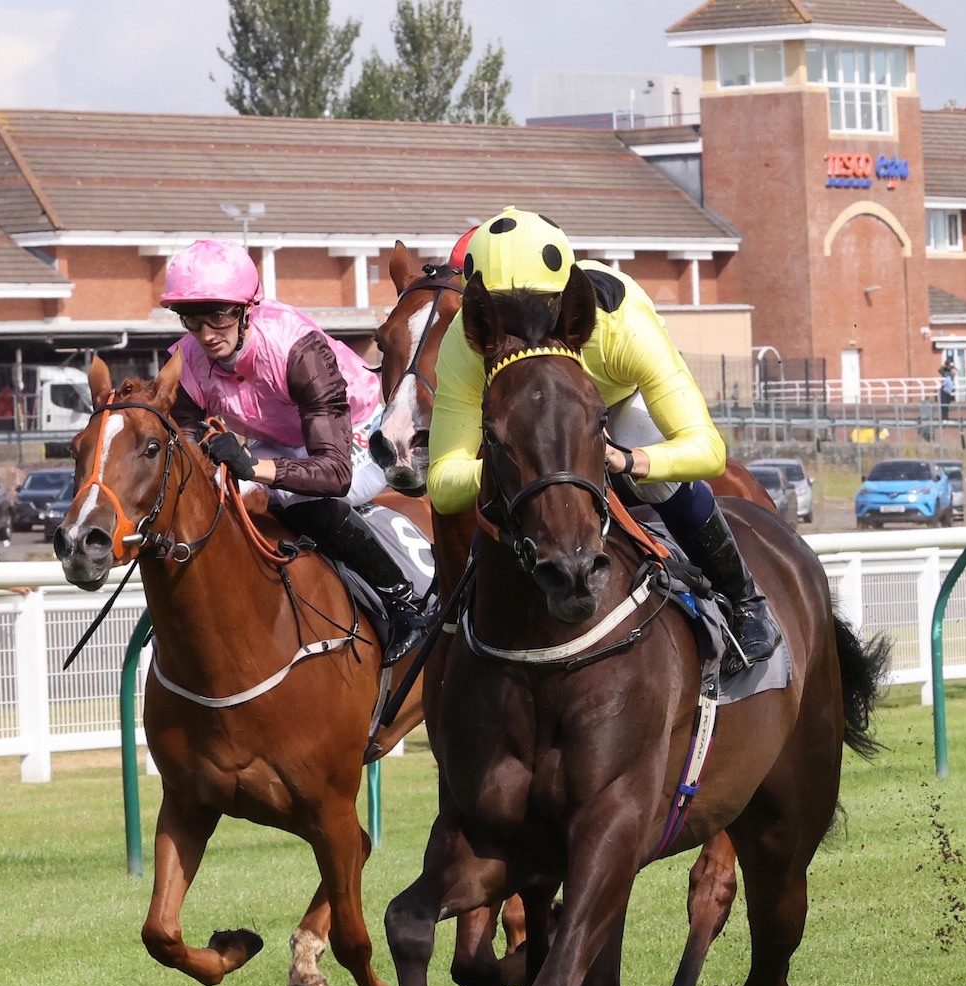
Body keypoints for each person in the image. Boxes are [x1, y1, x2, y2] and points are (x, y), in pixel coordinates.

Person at [430, 206, 782, 671]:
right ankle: (459, 619)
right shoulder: (466, 340)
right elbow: (441, 481)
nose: (518, 333)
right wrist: (520, 467)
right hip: (528, 423)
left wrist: (626, 459)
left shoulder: (622, 326)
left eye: (534, 314)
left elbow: (708, 451)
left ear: (565, 305)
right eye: (503, 319)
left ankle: (746, 600)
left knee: (649, 464)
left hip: (616, 402)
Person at [157, 238, 426, 660]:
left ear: (246, 309)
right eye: (192, 320)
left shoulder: (297, 349)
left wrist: (251, 465)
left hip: (356, 430)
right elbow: (189, 455)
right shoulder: (186, 359)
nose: (206, 335)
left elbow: (334, 475)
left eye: (218, 317)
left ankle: (403, 601)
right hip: (284, 439)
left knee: (293, 494)